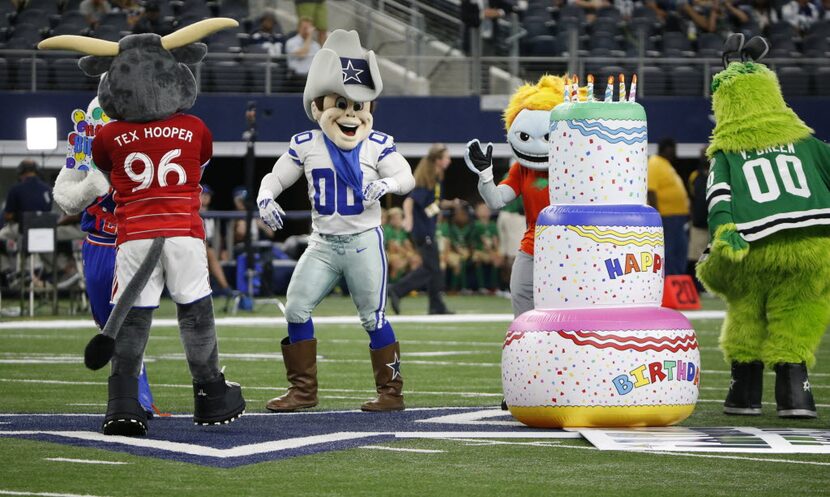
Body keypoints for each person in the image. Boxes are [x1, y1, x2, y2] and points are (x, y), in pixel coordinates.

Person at [257, 30, 415, 413]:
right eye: (340, 104)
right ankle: (303, 392)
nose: (350, 114)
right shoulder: (306, 143)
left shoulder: (377, 142)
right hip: (324, 242)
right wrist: (265, 196)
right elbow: (277, 175)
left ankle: (391, 394)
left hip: (362, 240)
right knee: (295, 307)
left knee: (373, 318)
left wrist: (387, 183)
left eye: (358, 105)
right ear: (317, 106)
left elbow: (407, 177)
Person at [388, 143, 458, 315]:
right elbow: (410, 200)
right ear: (438, 160)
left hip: (428, 229)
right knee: (431, 268)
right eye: (446, 157)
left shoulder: (435, 178)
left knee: (434, 269)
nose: (449, 160)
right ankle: (397, 290)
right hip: (422, 230)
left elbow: (432, 204)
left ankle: (436, 306)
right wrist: (409, 219)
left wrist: (450, 203)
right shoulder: (426, 180)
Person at [647, 138, 690, 275]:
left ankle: (677, 279)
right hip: (666, 216)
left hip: (678, 218)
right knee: (669, 250)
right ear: (664, 148)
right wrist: (656, 215)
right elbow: (651, 190)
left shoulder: (666, 164)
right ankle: (669, 280)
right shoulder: (655, 162)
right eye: (672, 148)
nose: (674, 152)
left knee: (680, 249)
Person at [2, 160, 52, 231]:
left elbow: (8, 216)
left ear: (20, 172)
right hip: (44, 228)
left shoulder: (15, 189)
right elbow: (48, 210)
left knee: (2, 234)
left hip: (22, 228)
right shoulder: (47, 189)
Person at [686, 148, 710, 289]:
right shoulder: (695, 176)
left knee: (711, 256)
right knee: (696, 256)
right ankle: (696, 286)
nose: (705, 158)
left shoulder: (718, 174)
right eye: (702, 155)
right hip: (699, 223)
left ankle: (709, 285)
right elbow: (692, 196)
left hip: (714, 223)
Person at [470, 202, 503, 292]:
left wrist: (497, 253)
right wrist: (493, 255)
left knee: (498, 259)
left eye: (487, 209)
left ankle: (495, 288)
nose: (485, 211)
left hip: (490, 251)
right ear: (477, 213)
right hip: (480, 251)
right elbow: (483, 243)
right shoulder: (477, 225)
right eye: (482, 209)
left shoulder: (492, 225)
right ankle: (482, 287)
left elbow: (495, 241)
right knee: (477, 258)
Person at [384, 207, 420, 283]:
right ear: (390, 220)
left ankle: (412, 287)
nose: (397, 220)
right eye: (394, 218)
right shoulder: (388, 229)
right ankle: (392, 286)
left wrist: (412, 254)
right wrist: (407, 254)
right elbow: (392, 248)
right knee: (397, 262)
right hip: (389, 253)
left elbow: (407, 244)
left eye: (399, 218)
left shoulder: (403, 230)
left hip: (402, 254)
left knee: (416, 261)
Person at [285, 16, 321, 88]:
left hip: (312, 79)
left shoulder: (316, 45)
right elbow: (302, 54)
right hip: (296, 79)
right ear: (299, 28)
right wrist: (309, 36)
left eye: (309, 28)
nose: (307, 31)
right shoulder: (291, 42)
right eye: (305, 28)